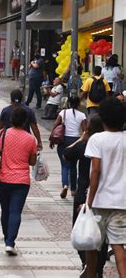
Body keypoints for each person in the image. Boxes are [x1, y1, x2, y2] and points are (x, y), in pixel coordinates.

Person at [85, 98, 126, 277]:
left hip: (100, 200)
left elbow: (95, 171)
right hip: (122, 201)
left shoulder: (97, 139)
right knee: (118, 244)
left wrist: (89, 200)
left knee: (92, 244)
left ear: (102, 118)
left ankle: (91, 274)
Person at [64, 115, 108, 277]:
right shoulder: (105, 145)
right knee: (101, 236)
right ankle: (98, 268)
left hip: (84, 194)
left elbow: (67, 154)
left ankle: (86, 264)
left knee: (82, 231)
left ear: (88, 129)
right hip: (102, 194)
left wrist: (81, 139)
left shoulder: (85, 145)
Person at [0, 107, 37, 255]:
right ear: (25, 121)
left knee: (5, 210)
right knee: (15, 211)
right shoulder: (31, 139)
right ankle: (10, 242)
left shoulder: (2, 134)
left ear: (11, 120)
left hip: (3, 178)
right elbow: (32, 162)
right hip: (21, 181)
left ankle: (7, 237)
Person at [49, 96, 87, 198]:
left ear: (69, 103)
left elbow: (55, 126)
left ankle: (65, 185)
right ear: (78, 104)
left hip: (63, 141)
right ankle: (73, 189)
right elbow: (85, 131)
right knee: (73, 166)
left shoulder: (63, 113)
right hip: (76, 141)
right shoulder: (82, 115)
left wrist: (51, 140)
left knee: (64, 165)